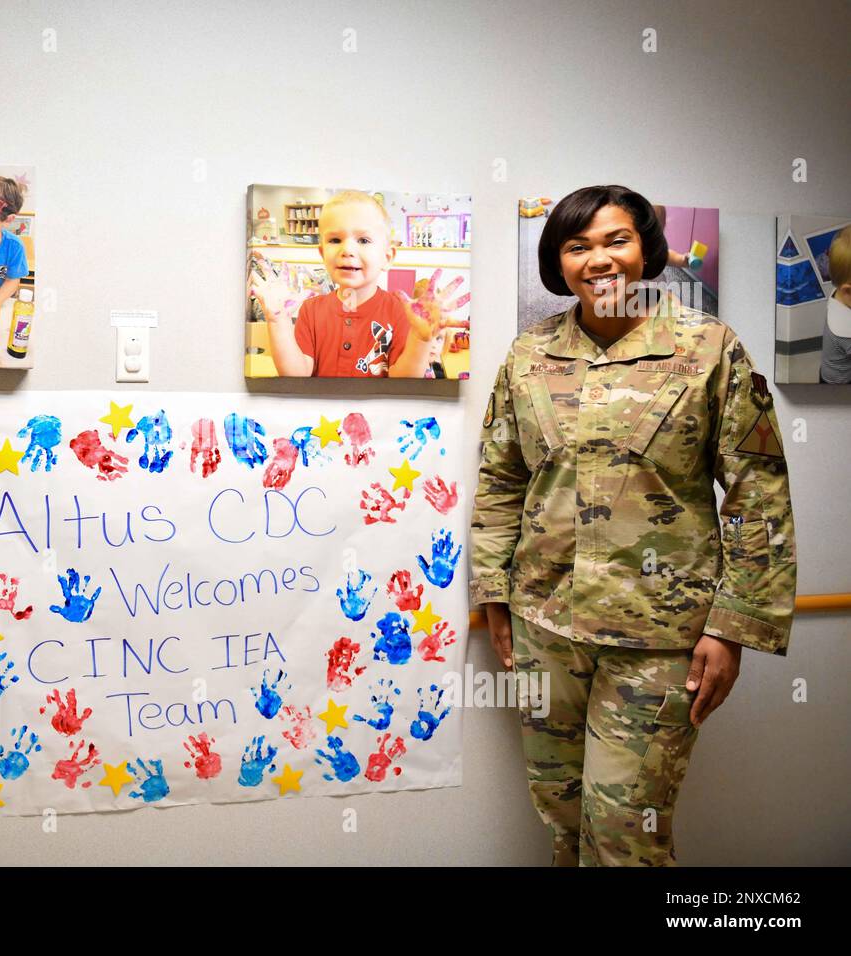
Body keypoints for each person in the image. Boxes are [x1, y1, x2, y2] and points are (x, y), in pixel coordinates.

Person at [471, 184, 796, 867]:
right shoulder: (529, 356)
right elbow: (501, 479)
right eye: (577, 246)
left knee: (626, 836)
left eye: (616, 240)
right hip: (545, 623)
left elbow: (756, 492)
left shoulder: (707, 348)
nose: (598, 260)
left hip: (658, 635)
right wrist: (492, 591)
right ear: (558, 263)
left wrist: (733, 624)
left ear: (649, 249)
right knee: (560, 817)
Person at [248, 190, 468, 378]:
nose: (347, 250)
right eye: (335, 240)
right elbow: (296, 375)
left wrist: (421, 338)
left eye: (363, 240)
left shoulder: (399, 311)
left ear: (387, 257)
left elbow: (402, 379)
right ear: (323, 253)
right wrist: (277, 320)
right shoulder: (311, 310)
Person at [818, 225, 851, 384]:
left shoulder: (837, 291)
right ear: (848, 291)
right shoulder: (846, 330)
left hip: (827, 369)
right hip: (839, 384)